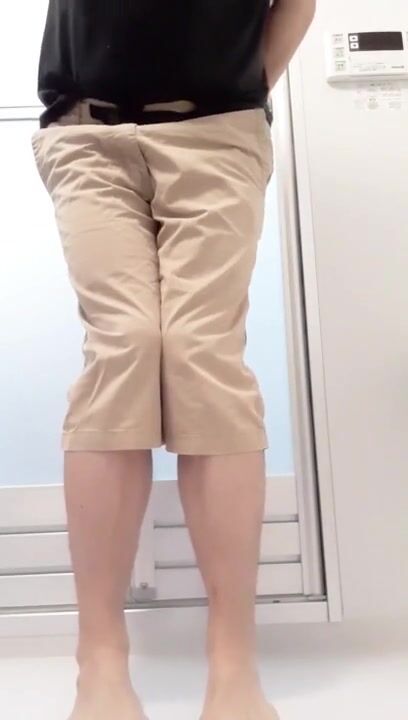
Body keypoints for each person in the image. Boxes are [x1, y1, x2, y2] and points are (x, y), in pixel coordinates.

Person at [31, 1, 316, 719]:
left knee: (202, 354)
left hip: (218, 130)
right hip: (86, 131)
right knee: (123, 346)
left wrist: (242, 88)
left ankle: (233, 663)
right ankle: (99, 662)